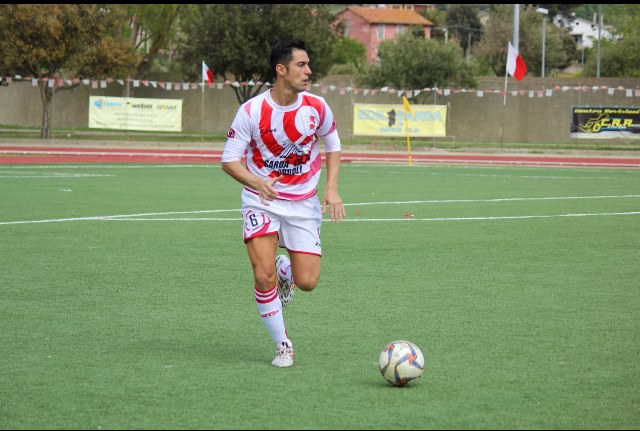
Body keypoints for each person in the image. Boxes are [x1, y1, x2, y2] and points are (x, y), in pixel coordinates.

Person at [220, 39, 346, 368]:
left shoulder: (317, 107)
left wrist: (331, 189)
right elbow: (229, 161)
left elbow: (333, 145)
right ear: (281, 70)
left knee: (308, 282)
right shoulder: (251, 111)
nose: (309, 71)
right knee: (262, 276)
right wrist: (258, 182)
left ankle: (285, 270)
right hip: (261, 200)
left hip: (303, 203)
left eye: (308, 65)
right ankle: (283, 345)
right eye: (301, 65)